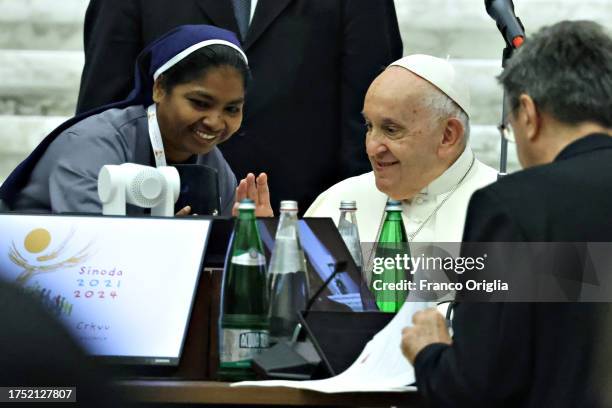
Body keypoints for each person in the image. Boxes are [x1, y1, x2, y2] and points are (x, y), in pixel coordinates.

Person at [401, 20, 612, 407]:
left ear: (528, 113)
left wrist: (429, 351)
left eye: (509, 126)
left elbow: (477, 387)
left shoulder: (512, 206)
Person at [75, 0, 403, 213]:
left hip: (305, 216)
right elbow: (106, 102)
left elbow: (371, 105)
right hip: (161, 210)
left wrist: (351, 212)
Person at [0, 25, 272, 216]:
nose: (215, 121)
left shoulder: (211, 162)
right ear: (160, 88)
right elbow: (90, 249)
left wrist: (248, 235)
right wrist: (166, 243)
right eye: (200, 103)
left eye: (232, 109)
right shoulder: (92, 143)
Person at [305, 54, 498, 243]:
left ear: (448, 136)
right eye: (369, 126)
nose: (372, 148)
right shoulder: (339, 201)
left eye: (391, 130)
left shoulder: (506, 210)